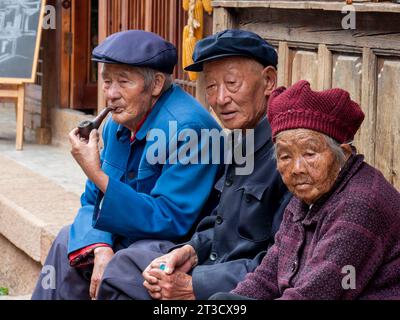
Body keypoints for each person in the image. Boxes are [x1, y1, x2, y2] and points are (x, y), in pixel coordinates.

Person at [96, 29, 292, 300]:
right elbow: (219, 222)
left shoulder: (289, 154)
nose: (220, 99)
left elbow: (282, 262)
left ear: (268, 80)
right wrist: (189, 251)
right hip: (209, 267)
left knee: (126, 271)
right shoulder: (240, 139)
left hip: (237, 290)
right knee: (124, 268)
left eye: (232, 83)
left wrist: (195, 286)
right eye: (211, 86)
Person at [31, 30, 221, 300]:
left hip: (175, 245)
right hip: (126, 234)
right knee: (67, 242)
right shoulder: (115, 125)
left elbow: (171, 218)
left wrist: (96, 174)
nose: (111, 94)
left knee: (123, 267)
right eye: (106, 82)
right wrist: (100, 246)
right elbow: (90, 202)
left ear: (155, 84)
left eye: (123, 82)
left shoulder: (189, 130)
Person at [212, 80, 400, 300]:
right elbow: (267, 277)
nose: (297, 168)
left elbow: (315, 294)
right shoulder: (306, 198)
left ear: (344, 153)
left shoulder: (360, 204)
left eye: (310, 154)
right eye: (285, 156)